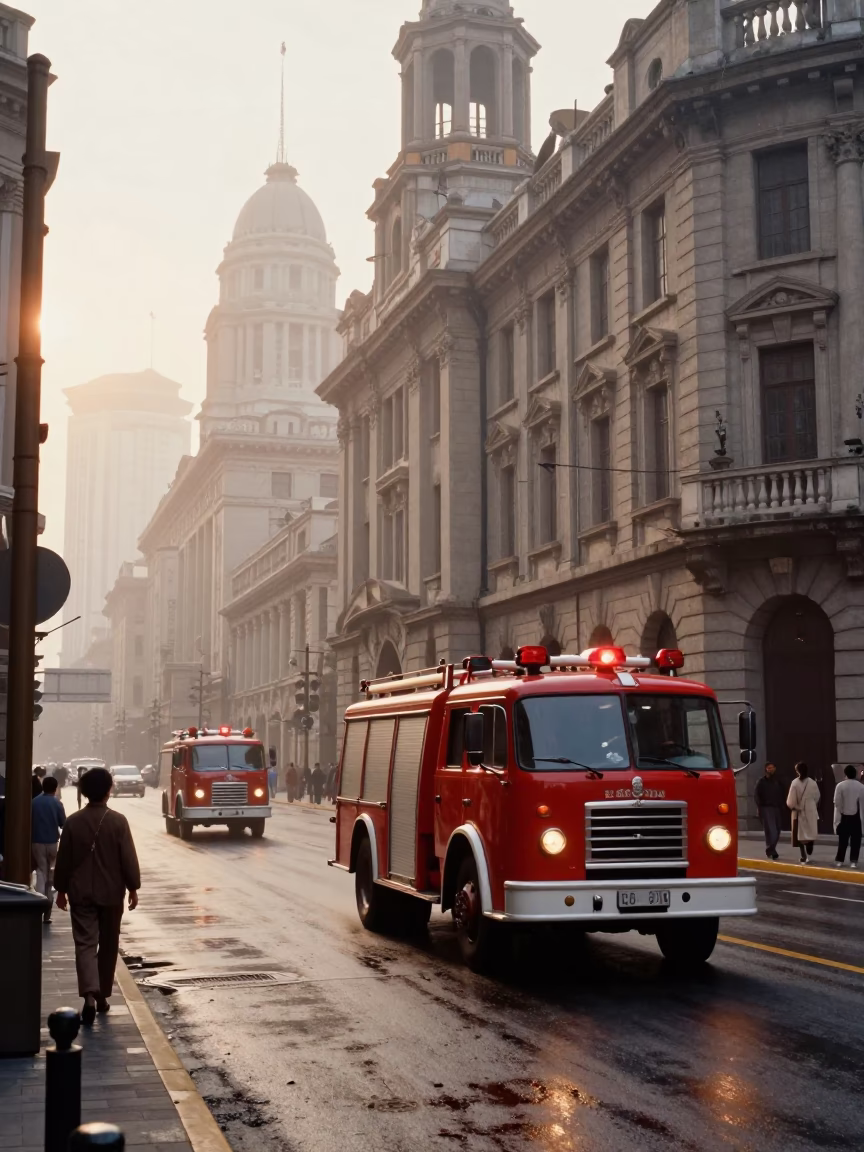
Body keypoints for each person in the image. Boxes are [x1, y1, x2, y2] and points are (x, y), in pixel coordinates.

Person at [54, 767, 141, 1026]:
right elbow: (128, 858)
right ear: (108, 790)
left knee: (85, 945)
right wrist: (133, 888)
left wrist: (60, 890)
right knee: (108, 945)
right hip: (112, 894)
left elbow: (64, 859)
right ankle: (102, 996)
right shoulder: (118, 821)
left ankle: (90, 995)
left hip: (80, 894)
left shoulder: (73, 821)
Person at [32, 776, 66, 923]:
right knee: (50, 877)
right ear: (55, 787)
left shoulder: (34, 802)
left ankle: (37, 909)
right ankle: (47, 914)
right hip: (52, 842)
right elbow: (63, 823)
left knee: (41, 872)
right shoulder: (57, 803)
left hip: (37, 842)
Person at [787, 762, 820, 864]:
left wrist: (793, 806)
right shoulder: (813, 783)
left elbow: (790, 800)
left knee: (799, 834)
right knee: (810, 830)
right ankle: (810, 844)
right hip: (810, 809)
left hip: (798, 811)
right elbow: (817, 797)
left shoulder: (795, 783)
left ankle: (803, 855)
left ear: (797, 771)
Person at [833, 765, 864, 870]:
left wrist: (840, 812)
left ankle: (840, 860)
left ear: (845, 774)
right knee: (856, 840)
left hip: (844, 817)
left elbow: (837, 802)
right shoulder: (861, 786)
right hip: (857, 818)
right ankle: (853, 862)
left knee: (843, 840)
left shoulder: (840, 786)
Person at [755, 762, 784, 860]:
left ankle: (772, 849)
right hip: (766, 808)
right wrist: (759, 807)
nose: (770, 769)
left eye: (772, 767)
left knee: (778, 830)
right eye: (768, 768)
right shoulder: (761, 782)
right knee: (771, 831)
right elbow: (757, 796)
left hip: (777, 808)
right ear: (766, 769)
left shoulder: (778, 781)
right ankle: (770, 850)